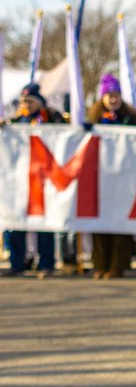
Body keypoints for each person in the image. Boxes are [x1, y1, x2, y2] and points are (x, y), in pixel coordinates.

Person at [86, 74, 136, 278]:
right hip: (100, 178)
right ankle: (101, 264)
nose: (113, 99)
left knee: (120, 222)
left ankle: (118, 264)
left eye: (116, 95)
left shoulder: (132, 118)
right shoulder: (93, 119)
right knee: (100, 223)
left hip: (124, 178)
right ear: (102, 97)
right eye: (109, 95)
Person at [4, 83, 63, 278]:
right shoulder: (16, 121)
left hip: (43, 179)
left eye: (30, 101)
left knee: (44, 224)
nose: (27, 105)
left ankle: (46, 263)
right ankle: (17, 262)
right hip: (20, 180)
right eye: (24, 101)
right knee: (16, 222)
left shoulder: (51, 119)